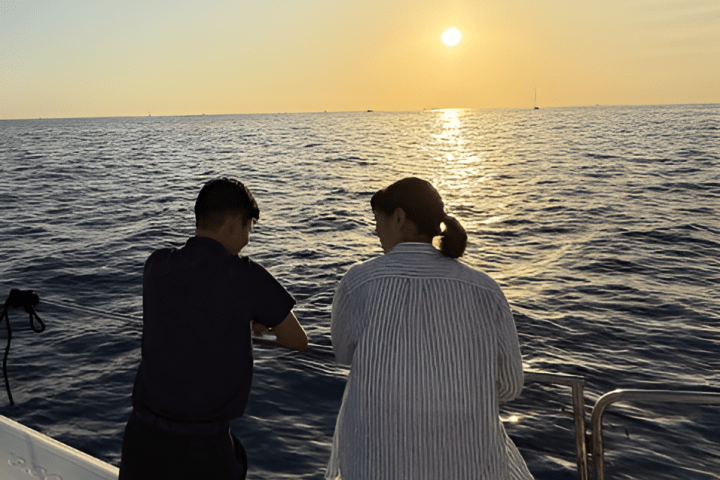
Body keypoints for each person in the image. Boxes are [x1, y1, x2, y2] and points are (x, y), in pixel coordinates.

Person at [326, 177, 533, 480]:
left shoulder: (359, 282)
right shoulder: (485, 289)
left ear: (398, 218)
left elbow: (344, 355)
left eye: (377, 221)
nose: (375, 230)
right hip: (471, 468)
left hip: (375, 466)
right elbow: (512, 385)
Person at [120, 177, 308, 480]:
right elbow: (297, 340)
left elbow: (193, 306)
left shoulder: (156, 265)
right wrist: (254, 320)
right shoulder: (247, 277)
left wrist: (239, 315)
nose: (248, 239)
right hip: (202, 451)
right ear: (234, 223)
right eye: (249, 227)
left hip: (141, 441)